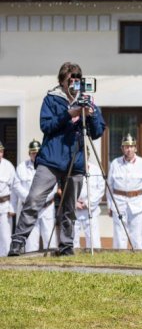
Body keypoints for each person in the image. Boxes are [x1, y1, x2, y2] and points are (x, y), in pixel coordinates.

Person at [8, 62, 106, 257]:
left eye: (78, 79)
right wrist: (69, 114)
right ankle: (18, 241)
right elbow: (46, 125)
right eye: (71, 79)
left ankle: (66, 245)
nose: (74, 83)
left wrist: (91, 115)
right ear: (61, 81)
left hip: (75, 161)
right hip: (51, 160)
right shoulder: (51, 99)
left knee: (69, 207)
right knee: (34, 199)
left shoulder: (88, 101)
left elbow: (97, 132)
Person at [107, 133, 142, 250]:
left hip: (137, 203)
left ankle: (139, 259)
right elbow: (109, 186)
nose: (129, 149)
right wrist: (110, 205)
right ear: (122, 149)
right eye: (126, 147)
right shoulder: (115, 163)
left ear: (135, 148)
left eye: (131, 146)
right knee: (119, 234)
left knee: (137, 236)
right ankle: (119, 259)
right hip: (119, 202)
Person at [13, 139, 56, 251]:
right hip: (29, 207)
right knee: (31, 241)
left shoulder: (48, 166)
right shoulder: (21, 167)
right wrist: (32, 200)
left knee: (49, 239)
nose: (35, 155)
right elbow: (17, 186)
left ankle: (52, 263)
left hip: (46, 207)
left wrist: (40, 200)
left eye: (37, 152)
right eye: (33, 152)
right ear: (29, 153)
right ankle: (31, 262)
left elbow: (54, 187)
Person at [73, 150, 103, 250]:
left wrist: (88, 203)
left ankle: (94, 259)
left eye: (85, 155)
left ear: (88, 155)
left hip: (91, 210)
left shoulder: (96, 170)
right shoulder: (71, 169)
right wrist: (74, 202)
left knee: (93, 241)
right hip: (75, 209)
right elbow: (65, 188)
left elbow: (101, 189)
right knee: (73, 240)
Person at [0, 141, 17, 256]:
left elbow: (14, 189)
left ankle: (5, 260)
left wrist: (12, 208)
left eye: (1, 151)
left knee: (5, 236)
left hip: (4, 205)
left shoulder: (8, 166)